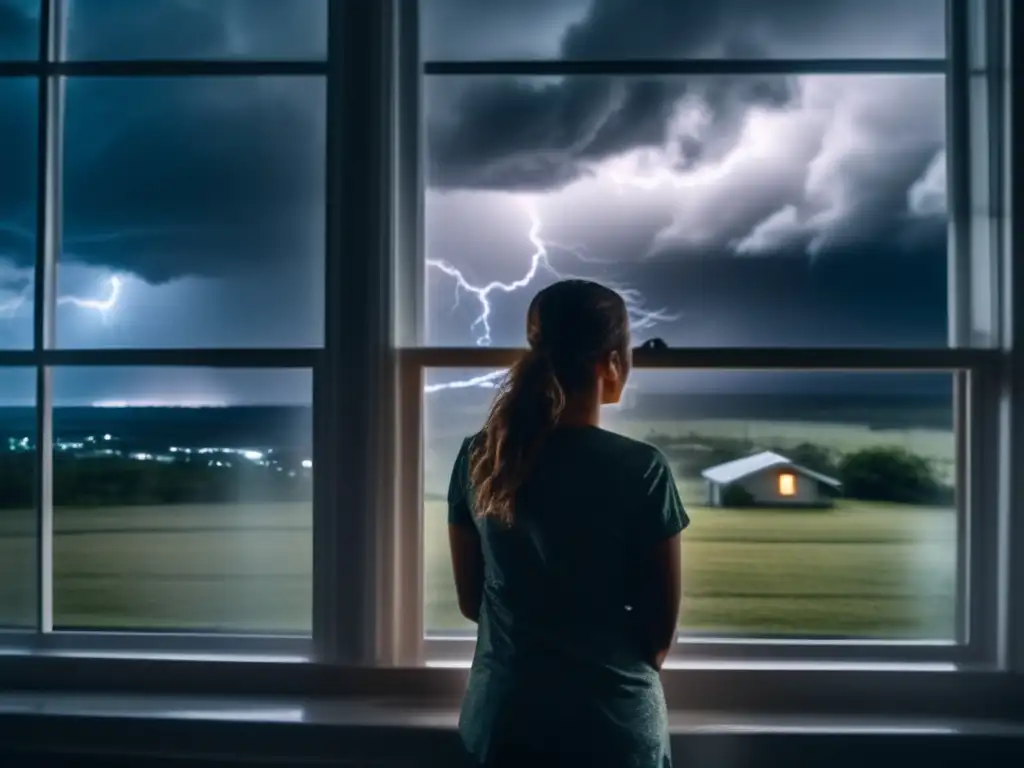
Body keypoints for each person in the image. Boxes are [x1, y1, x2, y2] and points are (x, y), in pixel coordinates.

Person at [447, 279, 688, 767]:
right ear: (613, 363)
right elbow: (657, 635)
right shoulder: (643, 468)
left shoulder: (480, 457)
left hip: (505, 722)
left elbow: (472, 601)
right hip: (613, 729)